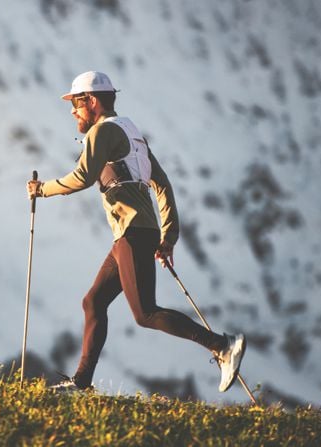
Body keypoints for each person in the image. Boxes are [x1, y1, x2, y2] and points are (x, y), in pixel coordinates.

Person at [26, 71, 246, 393]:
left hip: (132, 233)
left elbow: (85, 176)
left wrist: (42, 189)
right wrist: (168, 237)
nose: (72, 111)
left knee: (144, 313)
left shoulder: (102, 132)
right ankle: (81, 383)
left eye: (76, 103)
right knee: (93, 302)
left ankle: (222, 345)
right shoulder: (132, 134)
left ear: (93, 101)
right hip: (133, 234)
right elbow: (163, 185)